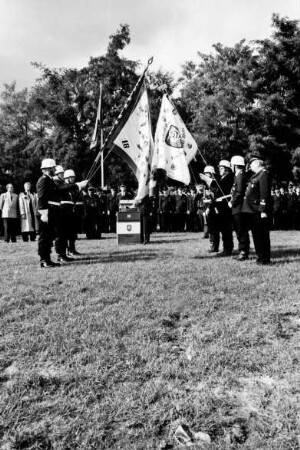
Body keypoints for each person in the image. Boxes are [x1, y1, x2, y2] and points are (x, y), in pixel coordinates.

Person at [36, 158, 88, 268]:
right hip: (47, 211)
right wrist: (44, 213)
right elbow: (41, 197)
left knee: (49, 237)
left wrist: (77, 185)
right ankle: (44, 260)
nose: (55, 170)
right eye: (53, 168)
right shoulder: (43, 180)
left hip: (52, 210)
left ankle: (47, 259)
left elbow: (60, 189)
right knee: (44, 237)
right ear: (49, 168)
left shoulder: (49, 180)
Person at [241, 152, 272, 265]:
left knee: (262, 236)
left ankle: (264, 259)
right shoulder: (256, 175)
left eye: (252, 163)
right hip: (253, 210)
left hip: (259, 211)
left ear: (258, 163)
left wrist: (263, 210)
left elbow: (265, 194)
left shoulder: (263, 174)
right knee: (257, 236)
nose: (250, 166)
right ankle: (260, 257)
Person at [230, 156, 250, 260]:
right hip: (238, 207)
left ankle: (243, 252)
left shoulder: (240, 176)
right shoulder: (238, 176)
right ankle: (242, 251)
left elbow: (239, 192)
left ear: (235, 165)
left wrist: (232, 202)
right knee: (239, 230)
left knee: (241, 230)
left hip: (239, 207)